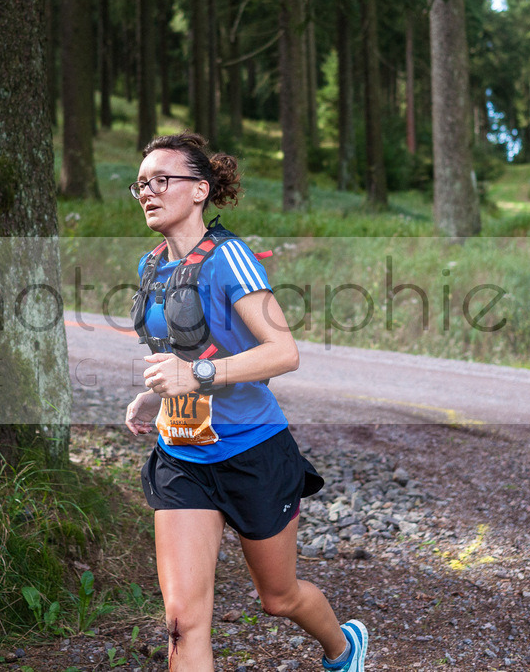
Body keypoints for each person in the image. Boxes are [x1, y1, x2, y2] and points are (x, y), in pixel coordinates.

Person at [123, 132, 368, 672]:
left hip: (253, 452)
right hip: (182, 458)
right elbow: (185, 353)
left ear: (199, 190)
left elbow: (284, 353)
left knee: (278, 598)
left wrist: (197, 374)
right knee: (182, 623)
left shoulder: (230, 257)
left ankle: (343, 648)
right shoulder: (152, 266)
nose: (147, 191)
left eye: (162, 180)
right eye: (141, 183)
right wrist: (154, 394)